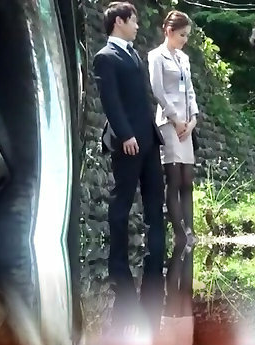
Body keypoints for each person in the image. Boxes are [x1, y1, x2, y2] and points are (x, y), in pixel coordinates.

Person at [93, 2, 165, 282]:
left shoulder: (133, 54)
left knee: (155, 197)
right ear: (119, 22)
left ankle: (156, 263)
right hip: (128, 140)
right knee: (122, 198)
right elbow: (110, 101)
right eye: (133, 20)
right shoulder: (105, 57)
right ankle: (118, 266)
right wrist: (125, 134)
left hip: (148, 138)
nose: (137, 26)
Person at [148, 11, 198, 244]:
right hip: (169, 123)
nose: (184, 39)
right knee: (175, 178)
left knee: (188, 179)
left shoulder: (184, 59)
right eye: (181, 35)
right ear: (169, 31)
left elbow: (190, 91)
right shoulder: (156, 56)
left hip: (187, 124)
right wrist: (175, 119)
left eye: (187, 35)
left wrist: (193, 119)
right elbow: (157, 90)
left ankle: (191, 230)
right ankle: (180, 233)